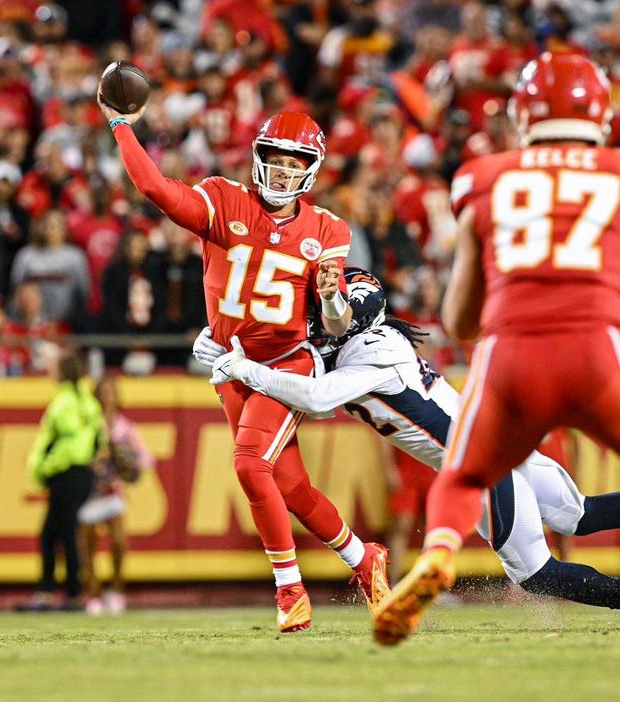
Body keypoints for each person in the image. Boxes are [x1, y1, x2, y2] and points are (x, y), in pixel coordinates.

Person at [371, 53, 620, 670]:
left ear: (523, 116)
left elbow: (458, 321)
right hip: (598, 353)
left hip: (511, 358)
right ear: (601, 115)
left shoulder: (483, 177)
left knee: (463, 474)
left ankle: (438, 551)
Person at [200, 267, 620, 628]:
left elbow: (317, 394)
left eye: (336, 310)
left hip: (479, 462)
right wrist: (228, 340)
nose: (325, 317)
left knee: (536, 574)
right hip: (500, 440)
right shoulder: (373, 341)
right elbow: (315, 362)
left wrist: (238, 366)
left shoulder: (369, 353)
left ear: (357, 319)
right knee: (579, 515)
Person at [100, 91, 389, 632]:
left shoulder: (327, 229)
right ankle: (363, 558)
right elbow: (155, 188)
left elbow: (334, 324)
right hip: (231, 366)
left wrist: (332, 298)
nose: (283, 172)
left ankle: (289, 590)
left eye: (295, 163)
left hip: (286, 365)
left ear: (311, 171)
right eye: (275, 160)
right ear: (258, 157)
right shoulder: (223, 199)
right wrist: (121, 125)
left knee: (248, 464)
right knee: (292, 487)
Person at [21, 352, 101, 611]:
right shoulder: (88, 401)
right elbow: (96, 439)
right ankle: (71, 592)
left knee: (53, 535)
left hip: (65, 473)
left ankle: (55, 592)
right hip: (82, 473)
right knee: (66, 533)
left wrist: (47, 466)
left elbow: (67, 441)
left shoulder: (65, 402)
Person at [80, 378, 155, 615]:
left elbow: (146, 459)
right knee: (88, 546)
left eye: (111, 392)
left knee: (119, 543)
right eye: (104, 393)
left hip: (112, 492)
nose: (108, 397)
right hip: (89, 493)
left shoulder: (124, 426)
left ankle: (116, 589)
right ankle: (93, 594)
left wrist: (129, 464)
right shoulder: (88, 424)